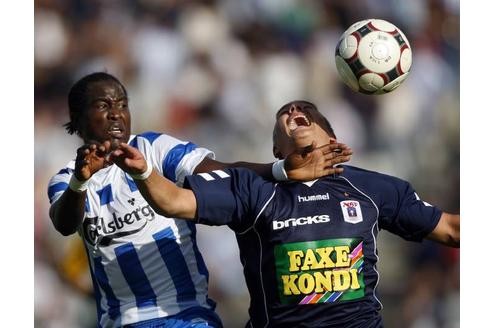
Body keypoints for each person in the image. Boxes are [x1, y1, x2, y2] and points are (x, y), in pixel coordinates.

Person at [109, 100, 460, 328]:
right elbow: (173, 202)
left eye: (305, 111)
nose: (294, 111)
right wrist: (143, 171)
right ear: (277, 148)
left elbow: (450, 230)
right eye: (284, 115)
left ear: (331, 135)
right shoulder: (252, 188)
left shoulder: (375, 188)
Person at [47, 73, 352, 328]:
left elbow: (223, 173)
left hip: (185, 316)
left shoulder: (153, 148)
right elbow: (64, 223)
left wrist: (282, 170)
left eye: (122, 104)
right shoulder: (66, 179)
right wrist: (80, 179)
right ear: (77, 116)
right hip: (122, 321)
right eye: (103, 105)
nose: (116, 113)